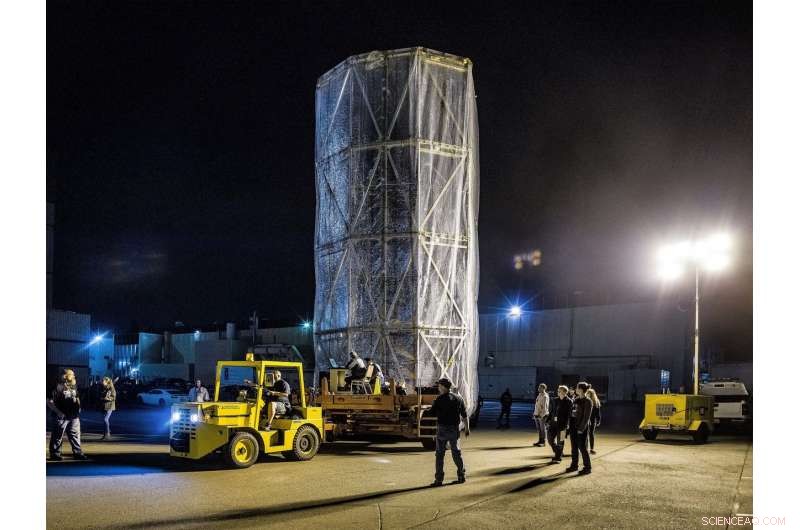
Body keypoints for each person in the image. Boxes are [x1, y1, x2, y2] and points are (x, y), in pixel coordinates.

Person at [428, 377, 469, 486]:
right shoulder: (459, 398)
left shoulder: (438, 399)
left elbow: (431, 413)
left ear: (443, 387)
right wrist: (467, 428)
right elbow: (464, 415)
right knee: (456, 453)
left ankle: (439, 480)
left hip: (442, 430)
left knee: (440, 455)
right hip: (454, 430)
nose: (438, 388)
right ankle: (461, 476)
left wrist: (429, 407)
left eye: (439, 386)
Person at [47, 369, 88, 461]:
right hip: (61, 416)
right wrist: (58, 412)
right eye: (71, 374)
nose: (73, 376)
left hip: (74, 416)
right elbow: (49, 402)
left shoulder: (74, 386)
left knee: (75, 436)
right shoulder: (57, 386)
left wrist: (79, 407)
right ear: (65, 376)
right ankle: (55, 454)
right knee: (58, 436)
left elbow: (77, 397)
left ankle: (78, 453)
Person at [566, 381, 593, 475]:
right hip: (573, 426)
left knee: (582, 447)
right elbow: (572, 411)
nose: (575, 389)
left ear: (581, 389)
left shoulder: (588, 401)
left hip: (581, 428)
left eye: (577, 388)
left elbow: (586, 417)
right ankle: (574, 465)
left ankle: (587, 467)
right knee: (574, 447)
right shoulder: (576, 399)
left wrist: (581, 429)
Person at [547, 385, 572, 463]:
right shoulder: (555, 400)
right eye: (558, 390)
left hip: (563, 425)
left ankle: (558, 457)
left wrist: (568, 424)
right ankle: (558, 451)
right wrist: (547, 421)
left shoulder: (569, 401)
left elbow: (569, 414)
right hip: (553, 424)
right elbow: (551, 412)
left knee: (560, 441)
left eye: (559, 391)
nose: (558, 392)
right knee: (550, 439)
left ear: (565, 392)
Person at [586, 388, 602, 454]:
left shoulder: (596, 402)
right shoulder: (586, 401)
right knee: (586, 434)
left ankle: (591, 448)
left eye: (589, 394)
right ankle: (586, 448)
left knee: (591, 434)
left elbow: (598, 413)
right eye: (587, 393)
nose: (588, 395)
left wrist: (598, 420)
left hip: (592, 420)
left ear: (592, 394)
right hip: (586, 420)